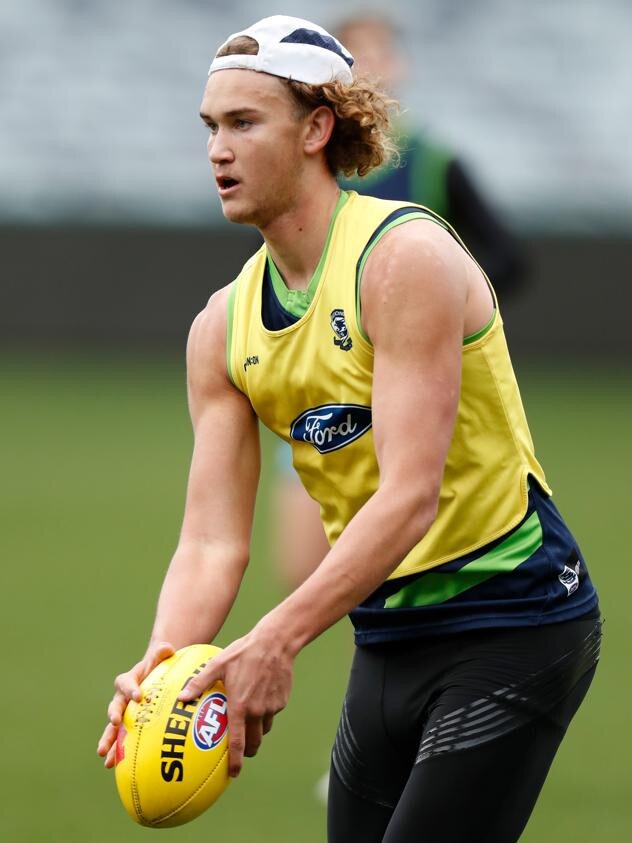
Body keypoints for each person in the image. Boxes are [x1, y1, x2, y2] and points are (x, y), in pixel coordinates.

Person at [97, 16, 600, 843]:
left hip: (513, 617)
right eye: (210, 127)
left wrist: (274, 639)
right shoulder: (219, 328)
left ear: (317, 129)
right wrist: (163, 665)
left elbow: (410, 497)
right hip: (388, 635)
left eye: (244, 122)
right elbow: (212, 542)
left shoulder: (402, 259)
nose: (217, 150)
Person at [274, 12, 528, 592]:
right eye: (354, 58)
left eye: (379, 55)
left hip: (410, 384)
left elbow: (508, 258)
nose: (372, 70)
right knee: (304, 570)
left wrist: (438, 308)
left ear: (401, 65)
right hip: (323, 388)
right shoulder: (310, 163)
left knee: (401, 560)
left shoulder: (434, 165)